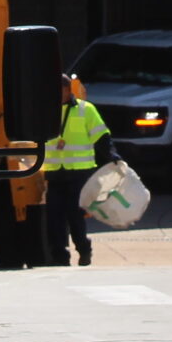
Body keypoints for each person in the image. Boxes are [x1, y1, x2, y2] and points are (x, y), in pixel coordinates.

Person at [42, 73, 116, 268]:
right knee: (54, 218)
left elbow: (102, 137)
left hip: (78, 173)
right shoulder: (45, 111)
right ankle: (60, 256)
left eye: (61, 91)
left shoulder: (85, 109)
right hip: (55, 172)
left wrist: (113, 156)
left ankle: (84, 250)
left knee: (75, 216)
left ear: (68, 90)